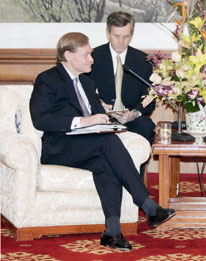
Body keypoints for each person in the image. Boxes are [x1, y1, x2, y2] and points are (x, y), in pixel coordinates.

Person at [29, 32, 175, 252]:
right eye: (87, 54)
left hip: (89, 147)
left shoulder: (87, 83)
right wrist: (84, 121)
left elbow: (100, 117)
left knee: (106, 164)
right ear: (68, 55)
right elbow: (40, 119)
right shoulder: (48, 79)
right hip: (59, 148)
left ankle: (112, 231)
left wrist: (111, 121)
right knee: (107, 143)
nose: (92, 59)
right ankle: (148, 205)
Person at [88, 11, 155, 144]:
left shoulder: (143, 61)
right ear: (107, 33)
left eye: (126, 36)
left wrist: (135, 113)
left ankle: (135, 165)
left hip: (131, 119)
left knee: (146, 126)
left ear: (131, 34)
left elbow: (149, 98)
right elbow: (84, 91)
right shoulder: (92, 58)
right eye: (116, 36)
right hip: (101, 118)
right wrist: (100, 105)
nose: (120, 41)